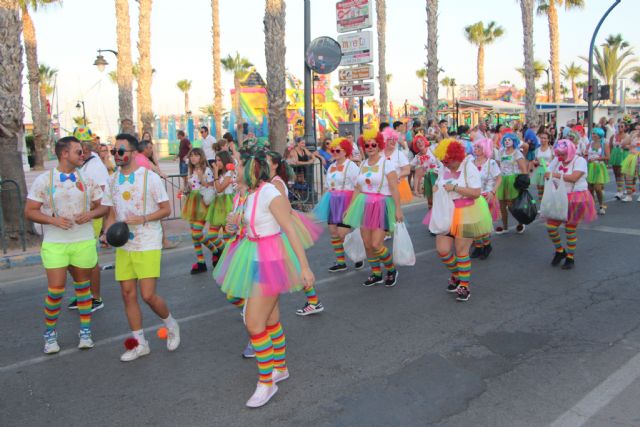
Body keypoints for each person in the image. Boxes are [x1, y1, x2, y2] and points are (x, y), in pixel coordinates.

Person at [212, 150, 315, 408]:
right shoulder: (244, 194)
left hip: (270, 257)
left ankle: (266, 383)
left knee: (253, 322)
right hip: (251, 253)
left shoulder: (270, 193)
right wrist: (233, 224)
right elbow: (238, 228)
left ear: (251, 169)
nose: (233, 171)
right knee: (270, 319)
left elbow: (290, 229)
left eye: (238, 166)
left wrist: (304, 267)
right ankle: (279, 367)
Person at [25, 136, 107, 354]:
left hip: (82, 240)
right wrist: (53, 220)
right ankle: (50, 334)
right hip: (55, 243)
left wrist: (89, 213)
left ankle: (85, 331)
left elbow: (103, 207)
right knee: (56, 289)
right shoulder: (45, 180)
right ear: (64, 154)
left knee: (83, 289)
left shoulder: (87, 179)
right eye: (78, 152)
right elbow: (30, 210)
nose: (83, 155)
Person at [102, 133, 180, 362]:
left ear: (133, 153)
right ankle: (139, 344)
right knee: (127, 294)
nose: (117, 155)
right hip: (124, 243)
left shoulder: (149, 178)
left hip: (147, 240)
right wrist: (108, 232)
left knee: (147, 295)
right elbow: (112, 212)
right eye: (114, 151)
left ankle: (171, 323)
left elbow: (166, 208)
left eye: (121, 151)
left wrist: (144, 218)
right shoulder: (113, 180)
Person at [429, 139, 493, 302]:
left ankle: (464, 285)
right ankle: (458, 275)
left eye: (447, 161)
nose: (445, 164)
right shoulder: (444, 167)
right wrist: (436, 188)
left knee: (461, 251)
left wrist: (455, 188)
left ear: (456, 156)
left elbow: (476, 192)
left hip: (466, 211)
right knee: (442, 250)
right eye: (443, 161)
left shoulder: (468, 166)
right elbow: (439, 183)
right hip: (446, 212)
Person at [343, 130, 404, 287]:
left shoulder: (386, 163)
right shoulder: (363, 164)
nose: (369, 147)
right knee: (367, 243)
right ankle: (376, 273)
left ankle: (391, 270)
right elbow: (357, 188)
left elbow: (394, 188)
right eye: (367, 144)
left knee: (377, 244)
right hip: (363, 205)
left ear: (379, 145)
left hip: (381, 205)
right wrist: (350, 208)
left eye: (373, 144)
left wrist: (398, 209)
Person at [267, 151, 324, 316]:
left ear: (275, 165)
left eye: (267, 160)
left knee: (294, 265)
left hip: (280, 230)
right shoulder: (270, 182)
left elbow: (284, 207)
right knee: (288, 265)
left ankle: (314, 302)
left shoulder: (276, 183)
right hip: (277, 229)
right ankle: (313, 301)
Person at [65, 138, 110, 313]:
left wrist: (104, 227)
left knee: (89, 260)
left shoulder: (95, 167)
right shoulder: (80, 167)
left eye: (79, 150)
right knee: (73, 259)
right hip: (74, 221)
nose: (79, 153)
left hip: (90, 219)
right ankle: (83, 292)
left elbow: (102, 197)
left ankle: (95, 297)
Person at [544, 139, 597, 270]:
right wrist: (548, 174)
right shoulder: (557, 160)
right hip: (559, 196)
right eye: (558, 154)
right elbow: (548, 174)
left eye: (563, 154)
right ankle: (560, 251)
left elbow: (574, 177)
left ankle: (570, 257)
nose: (560, 157)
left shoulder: (580, 161)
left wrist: (554, 174)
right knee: (551, 227)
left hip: (576, 197)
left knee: (570, 228)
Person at [313, 138, 361, 272]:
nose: (334, 152)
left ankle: (358, 254)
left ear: (345, 152)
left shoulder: (351, 166)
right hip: (333, 200)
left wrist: (352, 206)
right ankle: (341, 262)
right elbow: (327, 185)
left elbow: (358, 185)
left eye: (337, 150)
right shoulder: (332, 166)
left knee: (343, 233)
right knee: (333, 232)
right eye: (333, 150)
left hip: (346, 201)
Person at [181, 148, 217, 274]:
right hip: (192, 202)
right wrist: (185, 189)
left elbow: (211, 186)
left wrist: (201, 178)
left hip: (202, 202)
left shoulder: (207, 170)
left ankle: (215, 250)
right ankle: (201, 262)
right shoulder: (191, 171)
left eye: (196, 155)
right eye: (191, 155)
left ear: (201, 157)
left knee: (197, 233)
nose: (193, 158)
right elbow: (191, 187)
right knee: (194, 235)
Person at [470, 138, 501, 260]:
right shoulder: (471, 162)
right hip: (473, 195)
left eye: (479, 147)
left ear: (485, 149)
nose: (476, 149)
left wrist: (493, 192)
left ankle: (486, 245)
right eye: (475, 147)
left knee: (482, 223)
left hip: (485, 196)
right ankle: (478, 247)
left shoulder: (491, 163)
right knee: (474, 223)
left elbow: (499, 178)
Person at [495, 133, 528, 234]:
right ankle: (505, 227)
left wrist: (523, 183)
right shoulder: (501, 152)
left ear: (514, 141)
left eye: (509, 140)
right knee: (501, 205)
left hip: (513, 180)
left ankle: (520, 222)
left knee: (512, 205)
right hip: (502, 180)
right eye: (505, 140)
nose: (507, 141)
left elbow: (523, 170)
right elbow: (497, 165)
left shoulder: (517, 153)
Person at [586, 128, 610, 215]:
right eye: (592, 133)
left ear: (599, 135)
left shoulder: (604, 144)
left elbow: (608, 157)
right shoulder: (589, 144)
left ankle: (601, 205)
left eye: (594, 134)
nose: (592, 135)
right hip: (590, 167)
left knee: (598, 188)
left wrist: (597, 158)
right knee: (590, 188)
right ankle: (592, 206)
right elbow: (586, 154)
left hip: (599, 167)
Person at [531, 131, 554, 202]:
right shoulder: (537, 150)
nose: (543, 140)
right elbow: (534, 161)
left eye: (545, 138)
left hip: (548, 171)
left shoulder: (551, 149)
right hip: (539, 171)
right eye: (541, 138)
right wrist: (535, 162)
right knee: (540, 190)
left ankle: (547, 206)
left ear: (548, 139)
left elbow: (555, 161)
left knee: (548, 190)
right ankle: (541, 207)